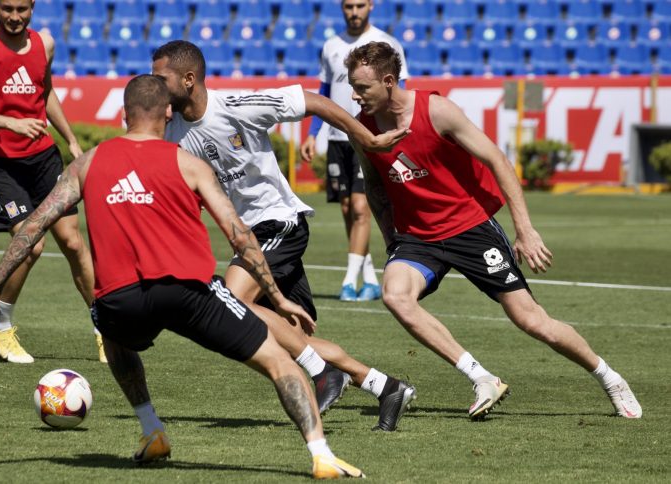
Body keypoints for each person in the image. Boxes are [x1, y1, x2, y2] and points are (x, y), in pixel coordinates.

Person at [0, 75, 366, 479]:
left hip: (121, 299)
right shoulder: (188, 163)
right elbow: (241, 236)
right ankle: (321, 455)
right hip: (187, 292)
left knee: (113, 335)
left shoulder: (87, 163)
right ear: (168, 112)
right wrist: (277, 297)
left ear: (124, 114)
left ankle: (152, 429)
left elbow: (34, 224)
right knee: (281, 364)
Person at [344, 41, 643, 420]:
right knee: (395, 295)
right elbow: (374, 184)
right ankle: (481, 377)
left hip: (470, 227)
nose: (355, 95)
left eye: (362, 87)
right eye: (352, 86)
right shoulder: (361, 129)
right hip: (418, 238)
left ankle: (610, 378)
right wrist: (391, 238)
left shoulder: (438, 111)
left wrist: (525, 230)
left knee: (532, 320)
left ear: (388, 81)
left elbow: (497, 160)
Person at [152, 40, 416, 431]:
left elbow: (312, 101)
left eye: (162, 77)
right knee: (288, 341)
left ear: (189, 79)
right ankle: (385, 386)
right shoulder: (171, 133)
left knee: (230, 301)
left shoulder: (237, 108)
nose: (155, 85)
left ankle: (323, 374)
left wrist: (366, 138)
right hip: (250, 238)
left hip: (279, 225)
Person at [0, 0, 106, 364]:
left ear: (33, 7)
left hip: (43, 158)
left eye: (22, 8)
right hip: (0, 162)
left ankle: (105, 329)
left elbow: (45, 91)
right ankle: (0, 327)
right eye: (7, 8)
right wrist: (10, 123)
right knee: (31, 246)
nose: (15, 16)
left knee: (72, 241)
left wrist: (69, 138)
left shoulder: (45, 44)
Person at [301, 0, 410, 302]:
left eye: (360, 5)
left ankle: (349, 281)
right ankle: (371, 279)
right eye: (349, 6)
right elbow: (323, 93)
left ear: (371, 6)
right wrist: (313, 133)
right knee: (349, 210)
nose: (354, 11)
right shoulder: (331, 46)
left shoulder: (387, 45)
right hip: (339, 139)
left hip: (371, 137)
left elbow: (400, 92)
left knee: (362, 208)